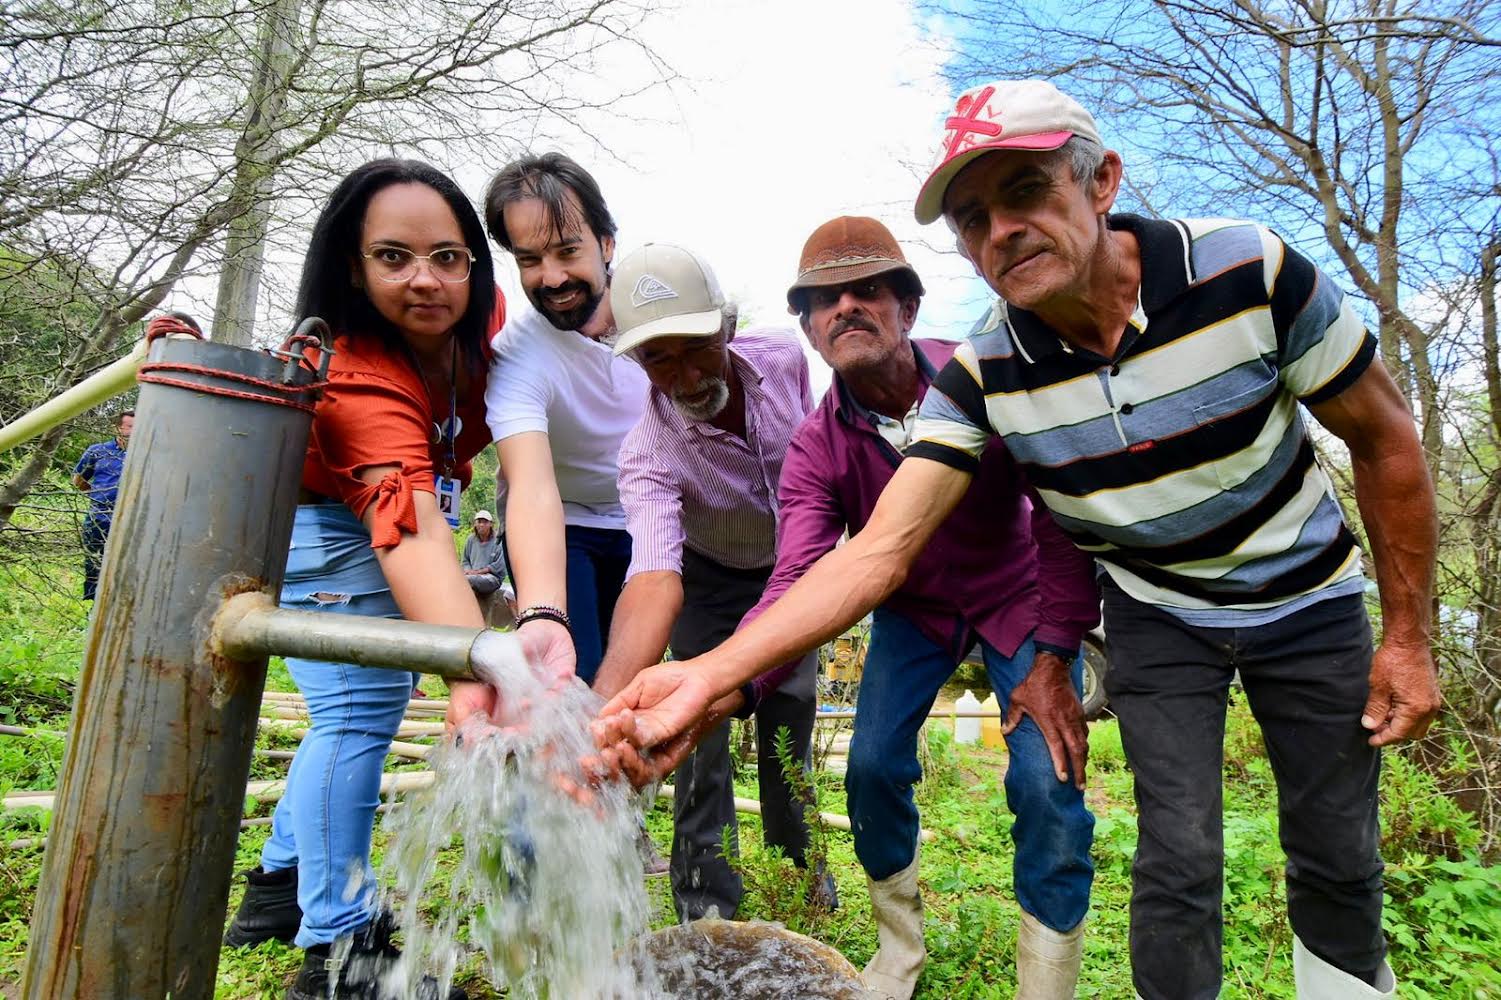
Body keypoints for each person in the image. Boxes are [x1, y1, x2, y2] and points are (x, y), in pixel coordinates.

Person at [597, 81, 1441, 1000]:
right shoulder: (979, 380)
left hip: (1239, 597)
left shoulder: (1249, 273)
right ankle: (898, 952)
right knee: (1173, 849)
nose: (1000, 230)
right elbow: (867, 553)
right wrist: (713, 677)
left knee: (1310, 841)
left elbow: (1377, 439)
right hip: (1091, 613)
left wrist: (1406, 633)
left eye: (1026, 193)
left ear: (1101, 181)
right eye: (971, 217)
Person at [222, 158, 527, 1000]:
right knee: (355, 715)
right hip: (324, 527)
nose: (424, 279)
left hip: (385, 518)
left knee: (342, 715)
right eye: (392, 257)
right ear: (353, 268)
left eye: (447, 256)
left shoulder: (479, 324)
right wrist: (473, 660)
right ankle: (339, 953)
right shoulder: (354, 369)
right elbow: (415, 523)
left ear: (474, 262)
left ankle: (278, 890)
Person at [592, 242, 829, 923]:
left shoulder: (782, 356)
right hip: (707, 582)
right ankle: (704, 902)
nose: (685, 374)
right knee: (697, 731)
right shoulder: (647, 452)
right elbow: (653, 575)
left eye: (695, 346)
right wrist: (604, 706)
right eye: (656, 358)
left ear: (726, 327)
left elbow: (819, 450)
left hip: (793, 574)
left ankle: (800, 875)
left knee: (791, 722)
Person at [481, 153, 649, 687]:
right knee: (575, 674)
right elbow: (530, 486)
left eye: (567, 251)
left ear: (606, 244)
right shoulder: (517, 355)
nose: (552, 278)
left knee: (629, 679)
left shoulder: (659, 315)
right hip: (562, 521)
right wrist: (543, 612)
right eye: (530, 260)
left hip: (646, 519)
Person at [72, 409, 132, 599]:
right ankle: (94, 608)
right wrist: (101, 495)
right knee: (95, 565)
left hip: (132, 522)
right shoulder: (98, 452)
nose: (135, 431)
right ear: (117, 427)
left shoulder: (149, 455)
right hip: (100, 520)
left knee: (126, 566)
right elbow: (79, 481)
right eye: (130, 427)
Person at [462, 509, 515, 628]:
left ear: (491, 524)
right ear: (475, 523)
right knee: (463, 579)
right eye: (479, 521)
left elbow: (498, 566)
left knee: (468, 579)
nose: (481, 524)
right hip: (472, 576)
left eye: (485, 522)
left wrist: (476, 573)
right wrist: (468, 570)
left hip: (492, 579)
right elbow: (465, 560)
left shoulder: (498, 541)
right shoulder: (471, 540)